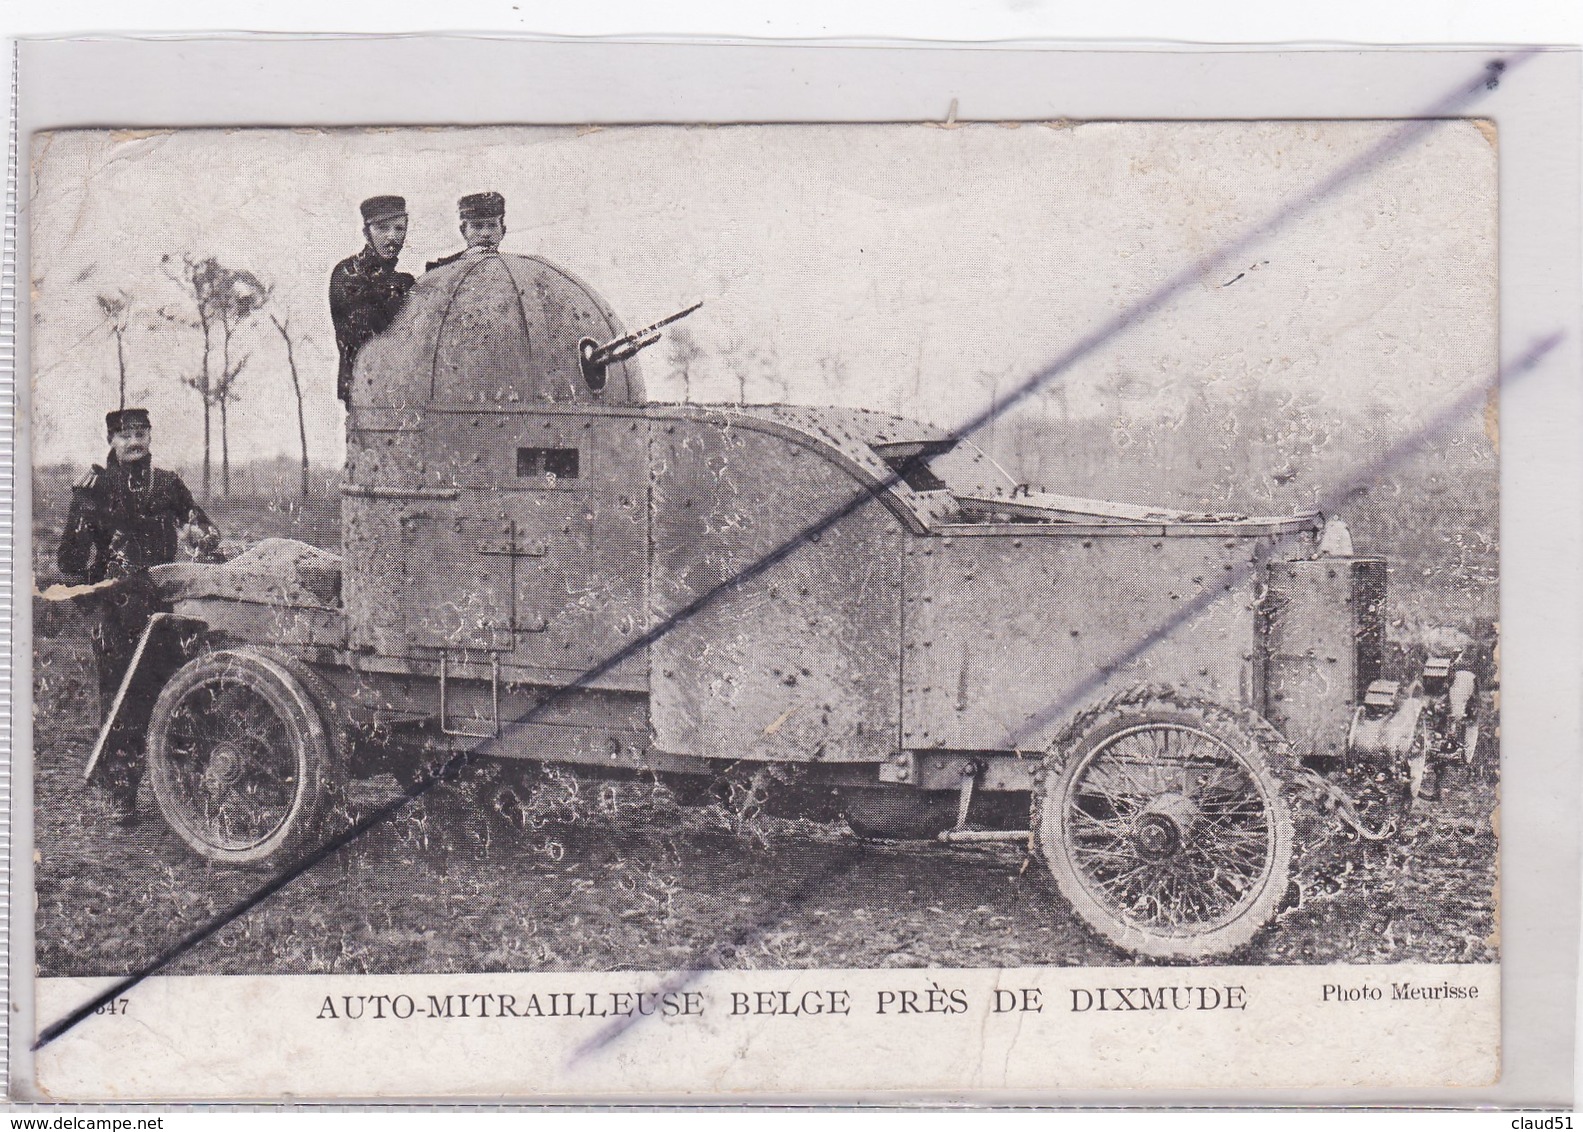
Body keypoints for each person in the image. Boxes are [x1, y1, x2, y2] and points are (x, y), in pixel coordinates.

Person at [57, 408, 222, 826]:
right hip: (116, 618)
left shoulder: (168, 484)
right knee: (121, 705)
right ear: (111, 440)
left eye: (140, 432)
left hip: (167, 613)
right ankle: (122, 797)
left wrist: (200, 538)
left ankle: (186, 794)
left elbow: (206, 534)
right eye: (124, 434)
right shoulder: (95, 489)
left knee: (183, 698)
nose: (134, 441)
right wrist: (96, 603)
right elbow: (70, 562)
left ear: (150, 436)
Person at [329, 195, 416, 404]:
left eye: (399, 228)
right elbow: (369, 335)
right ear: (366, 233)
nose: (392, 237)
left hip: (402, 391)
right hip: (365, 389)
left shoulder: (404, 282)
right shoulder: (349, 273)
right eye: (383, 228)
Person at [426, 191, 507, 271]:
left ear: (503, 231)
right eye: (477, 226)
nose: (485, 234)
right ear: (463, 231)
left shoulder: (514, 269)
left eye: (492, 225)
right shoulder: (440, 269)